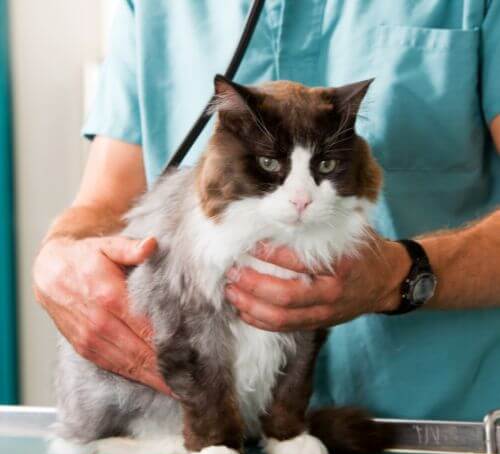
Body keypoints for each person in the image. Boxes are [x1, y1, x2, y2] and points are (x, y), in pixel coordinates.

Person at [33, 0, 500, 421]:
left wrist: (398, 275)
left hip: (437, 434)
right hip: (200, 435)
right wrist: (58, 258)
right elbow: (104, 205)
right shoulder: (151, 8)